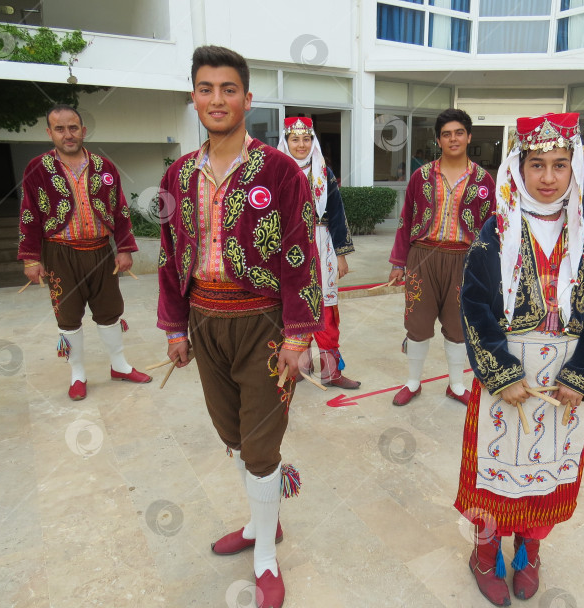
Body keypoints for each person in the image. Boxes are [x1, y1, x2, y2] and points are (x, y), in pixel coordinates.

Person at [156, 46, 322, 608]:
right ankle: (259, 522)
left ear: (247, 99)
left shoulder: (279, 169)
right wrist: (175, 326)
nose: (217, 99)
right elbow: (168, 253)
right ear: (195, 97)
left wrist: (300, 335)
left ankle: (266, 555)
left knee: (260, 443)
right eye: (206, 88)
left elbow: (300, 252)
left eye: (229, 89)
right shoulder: (176, 176)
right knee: (231, 432)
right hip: (204, 321)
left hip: (266, 326)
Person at [455, 113, 584, 605]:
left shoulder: (583, 239)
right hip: (509, 378)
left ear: (574, 169)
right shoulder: (494, 232)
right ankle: (484, 552)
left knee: (550, 469)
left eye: (560, 165)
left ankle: (529, 551)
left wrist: (581, 376)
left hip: (563, 383)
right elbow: (475, 306)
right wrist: (500, 375)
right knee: (497, 474)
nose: (548, 178)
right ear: (518, 169)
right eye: (537, 164)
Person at [17, 104, 151, 401]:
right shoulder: (37, 168)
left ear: (83, 131)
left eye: (73, 128)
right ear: (49, 132)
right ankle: (78, 373)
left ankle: (119, 365)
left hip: (101, 253)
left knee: (109, 310)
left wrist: (125, 248)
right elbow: (29, 213)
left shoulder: (105, 167)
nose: (68, 134)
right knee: (68, 315)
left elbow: (120, 210)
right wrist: (31, 257)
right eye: (60, 129)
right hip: (59, 255)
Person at [388, 108, 496, 407]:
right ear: (438, 140)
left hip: (464, 260)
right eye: (446, 134)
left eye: (459, 132)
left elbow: (492, 228)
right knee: (417, 323)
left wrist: (490, 269)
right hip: (422, 257)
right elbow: (405, 220)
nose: (453, 138)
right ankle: (413, 381)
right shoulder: (421, 176)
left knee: (459, 324)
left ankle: (456, 384)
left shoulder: (484, 180)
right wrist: (399, 262)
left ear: (469, 136)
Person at [277, 116, 359, 389]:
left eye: (306, 138)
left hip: (322, 244)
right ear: (286, 142)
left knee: (326, 308)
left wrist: (341, 254)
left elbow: (336, 213)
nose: (301, 144)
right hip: (288, 248)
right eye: (295, 139)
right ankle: (299, 366)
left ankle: (331, 371)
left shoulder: (325, 172)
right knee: (293, 305)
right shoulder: (274, 171)